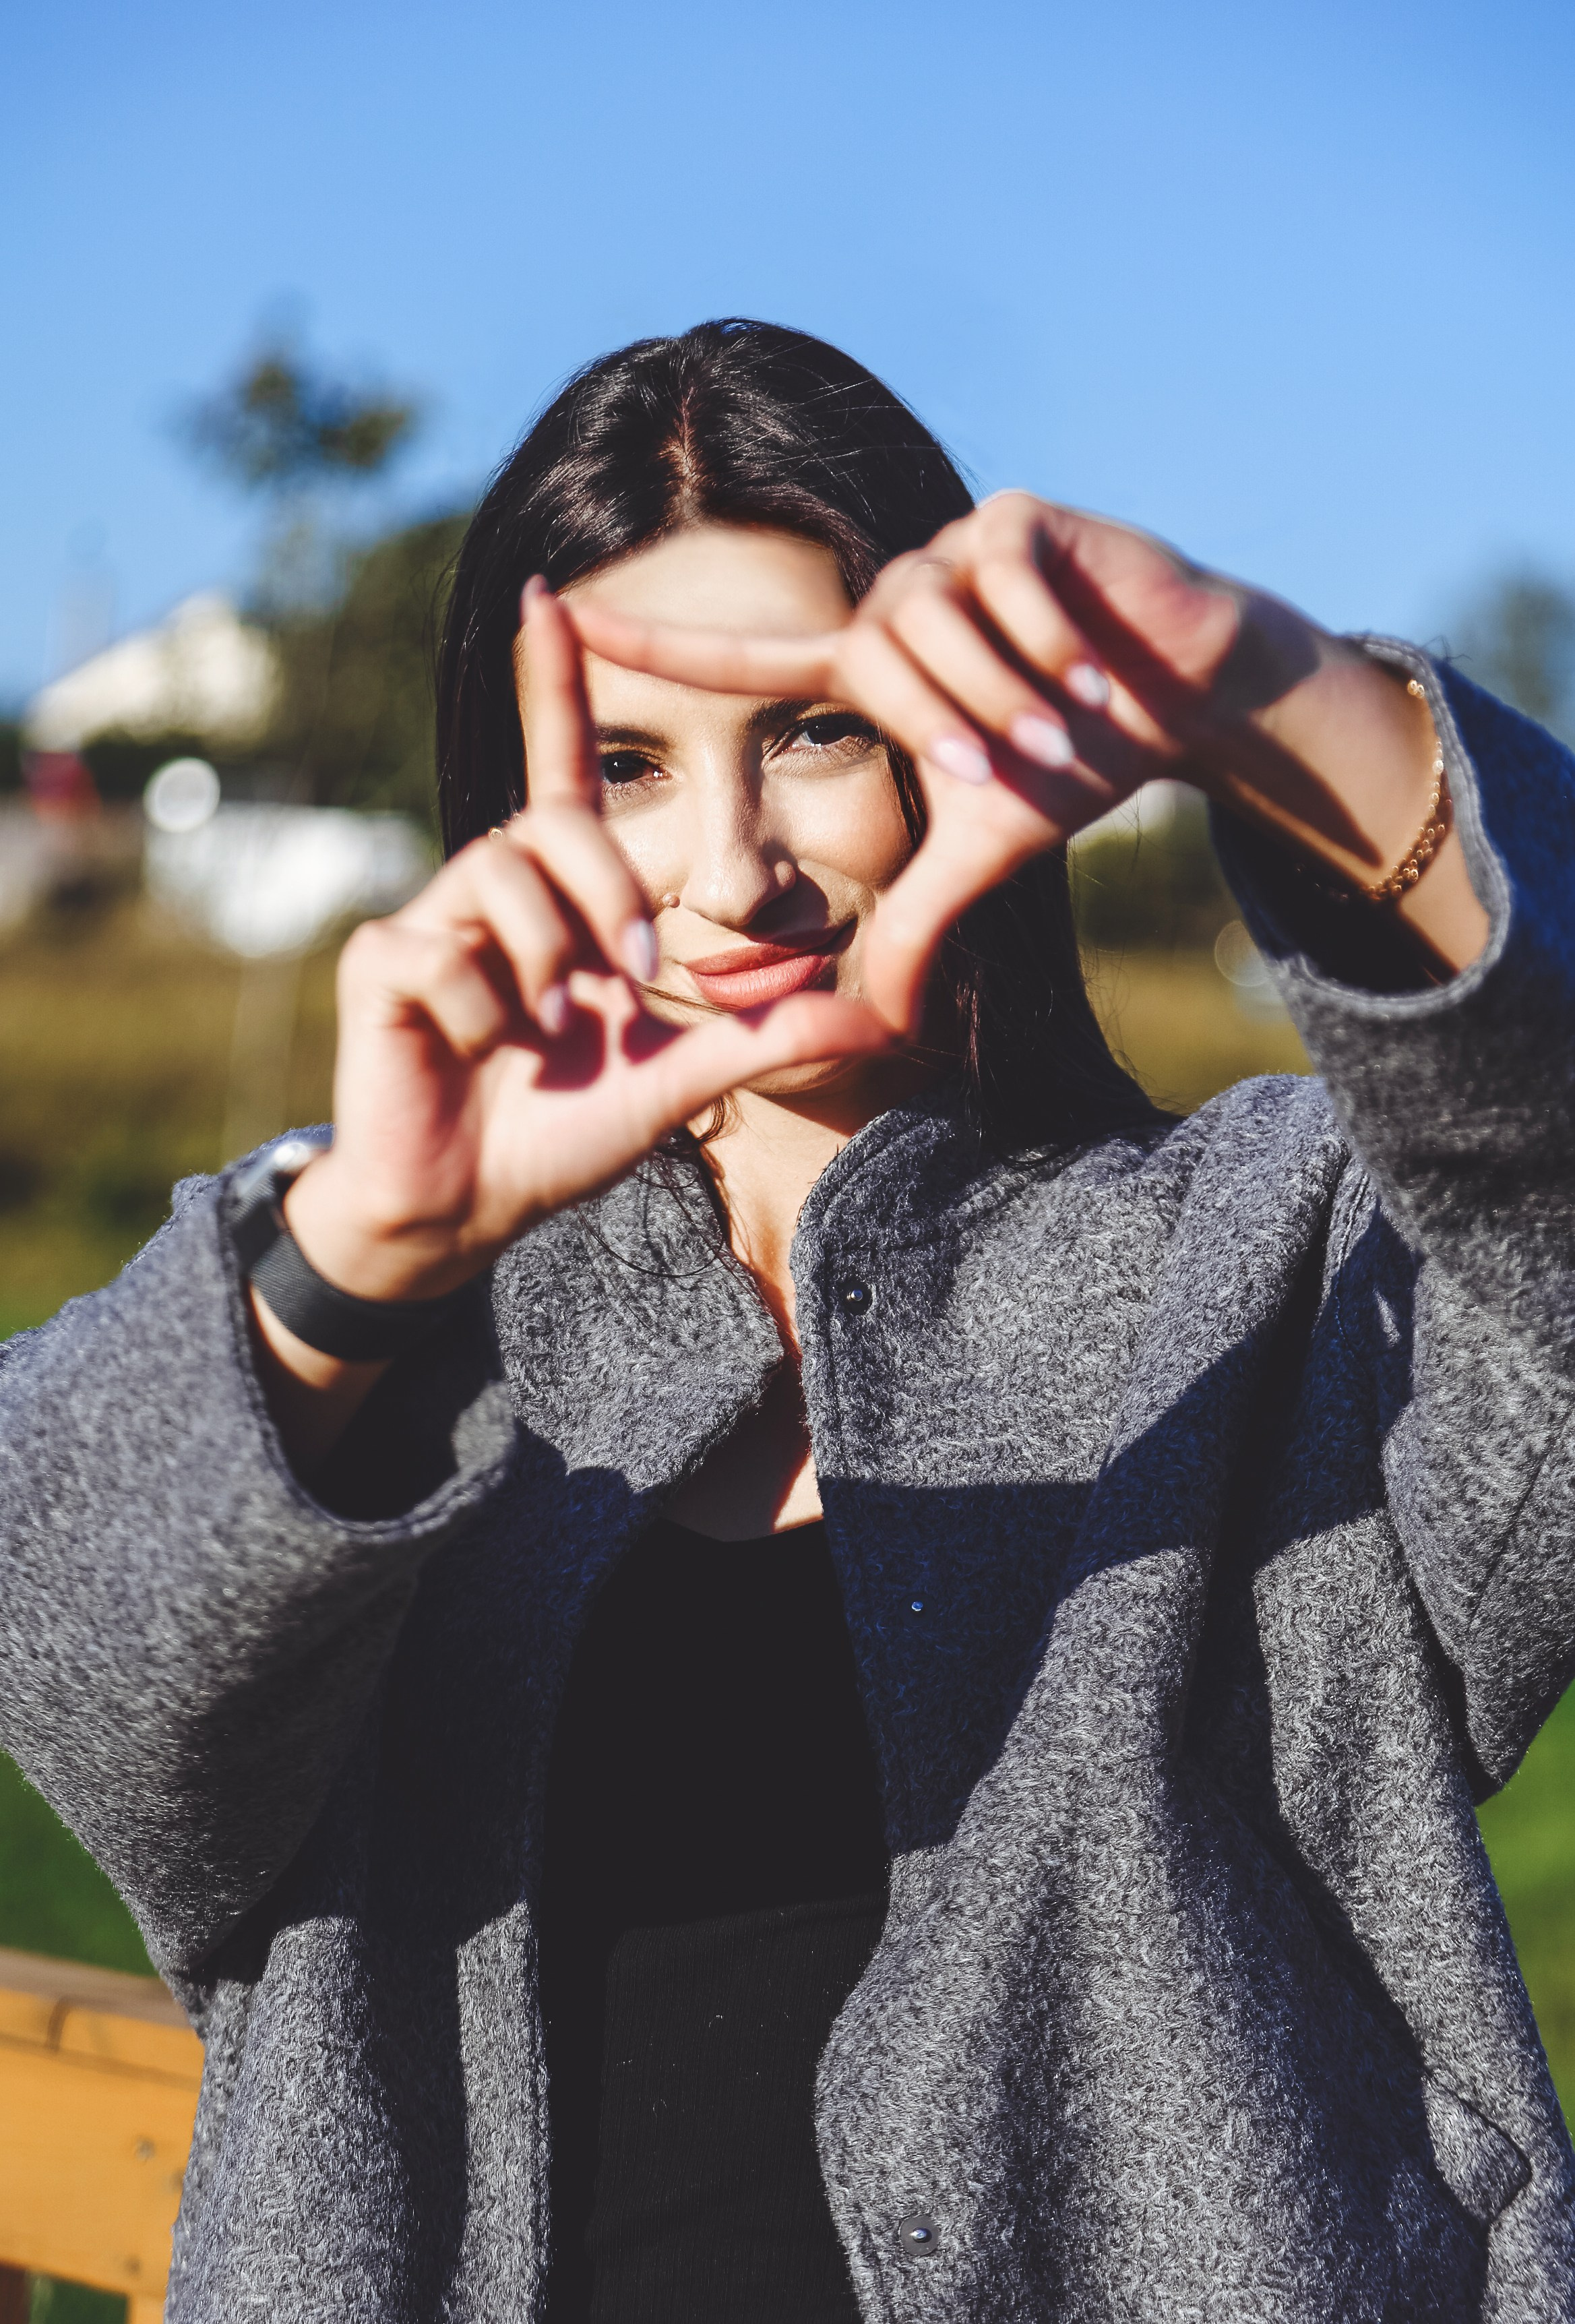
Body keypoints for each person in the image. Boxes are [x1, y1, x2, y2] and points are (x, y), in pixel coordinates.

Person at [1, 317, 1571, 2324]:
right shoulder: (382, 1304)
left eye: (812, 730)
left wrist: (1274, 695)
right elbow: (68, 1649)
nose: (731, 874)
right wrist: (366, 1252)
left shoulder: (1270, 1259)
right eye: (632, 764)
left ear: (961, 740)